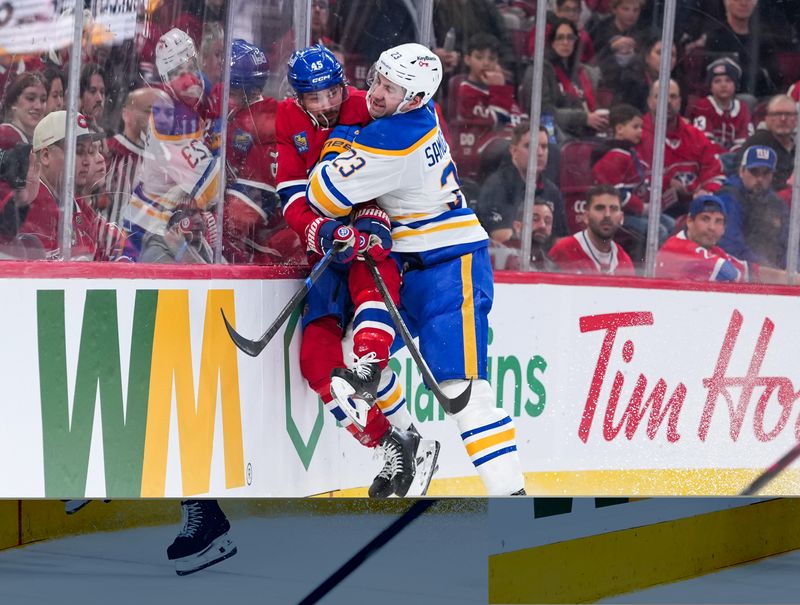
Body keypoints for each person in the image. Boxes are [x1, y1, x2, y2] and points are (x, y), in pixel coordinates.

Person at [307, 43, 526, 496]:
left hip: (451, 264)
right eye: (378, 80)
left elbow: (323, 196)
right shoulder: (401, 120)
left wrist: (340, 140)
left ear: (415, 99)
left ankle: (512, 498)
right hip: (407, 263)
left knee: (462, 391)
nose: (377, 93)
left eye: (392, 88)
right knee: (358, 352)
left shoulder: (396, 137)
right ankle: (408, 439)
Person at [277, 44, 434, 498]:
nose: (326, 105)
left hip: (369, 231)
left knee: (372, 279)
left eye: (332, 93)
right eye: (314, 98)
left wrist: (373, 224)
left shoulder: (371, 104)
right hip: (323, 245)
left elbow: (397, 174)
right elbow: (290, 195)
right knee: (315, 360)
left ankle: (369, 361)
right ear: (298, 98)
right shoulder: (288, 121)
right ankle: (392, 442)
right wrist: (319, 231)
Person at [120, 28, 220, 261]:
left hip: (170, 221)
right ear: (165, 80)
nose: (188, 79)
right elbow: (213, 182)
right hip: (148, 225)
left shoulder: (199, 95)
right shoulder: (170, 116)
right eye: (177, 72)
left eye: (190, 66)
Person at [222, 39, 302, 265]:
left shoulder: (258, 123)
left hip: (265, 244)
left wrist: (218, 222)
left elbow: (247, 208)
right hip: (261, 235)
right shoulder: (248, 114)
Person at [17, 110, 125, 261]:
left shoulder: (71, 199)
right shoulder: (35, 207)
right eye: (78, 151)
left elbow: (111, 242)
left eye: (89, 151)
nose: (88, 161)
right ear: (46, 156)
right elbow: (47, 277)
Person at [591, 103, 673, 260]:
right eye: (635, 127)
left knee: (669, 223)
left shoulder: (630, 153)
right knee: (658, 230)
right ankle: (646, 269)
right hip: (617, 214)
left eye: (641, 127)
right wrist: (641, 206)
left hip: (633, 212)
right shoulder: (612, 156)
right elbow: (616, 194)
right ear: (620, 129)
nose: (640, 131)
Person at [636, 79, 724, 216]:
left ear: (680, 101)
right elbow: (636, 176)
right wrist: (667, 182)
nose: (667, 102)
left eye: (673, 96)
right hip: (652, 211)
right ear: (649, 101)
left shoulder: (695, 135)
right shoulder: (638, 135)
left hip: (692, 208)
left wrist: (705, 191)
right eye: (660, 96)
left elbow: (715, 173)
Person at [477, 123, 568, 243]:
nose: (540, 153)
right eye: (530, 146)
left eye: (544, 146)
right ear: (513, 151)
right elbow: (500, 237)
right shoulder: (496, 186)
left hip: (543, 259)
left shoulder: (552, 191)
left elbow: (561, 238)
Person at [717, 145, 789, 270]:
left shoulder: (776, 202)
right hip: (737, 273)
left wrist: (790, 271)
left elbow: (790, 243)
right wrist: (765, 269)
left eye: (766, 173)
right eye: (754, 171)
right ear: (741, 171)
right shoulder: (729, 197)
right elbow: (731, 245)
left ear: (772, 175)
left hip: (774, 274)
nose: (760, 179)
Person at [533, 18, 605, 140]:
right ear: (551, 42)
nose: (565, 42)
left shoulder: (584, 72)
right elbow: (543, 113)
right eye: (560, 38)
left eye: (570, 38)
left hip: (585, 132)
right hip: (554, 134)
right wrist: (583, 118)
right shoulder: (539, 70)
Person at [656, 195, 751, 282]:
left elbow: (751, 271)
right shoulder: (676, 247)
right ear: (689, 221)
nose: (712, 227)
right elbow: (729, 273)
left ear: (724, 228)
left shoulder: (713, 250)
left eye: (718, 221)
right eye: (705, 219)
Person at [548, 184, 635, 275]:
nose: (607, 215)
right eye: (600, 208)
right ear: (586, 216)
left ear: (621, 218)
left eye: (613, 209)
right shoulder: (564, 250)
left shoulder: (624, 261)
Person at [105, 88, 161, 225]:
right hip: (109, 239)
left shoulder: (156, 159)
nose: (152, 118)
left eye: (156, 113)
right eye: (147, 111)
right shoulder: (110, 149)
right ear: (126, 113)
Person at [686, 57, 753, 153]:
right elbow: (703, 142)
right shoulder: (703, 106)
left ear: (736, 85)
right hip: (709, 160)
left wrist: (732, 157)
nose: (723, 85)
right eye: (717, 81)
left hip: (735, 162)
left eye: (728, 80)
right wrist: (726, 157)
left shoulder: (743, 108)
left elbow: (745, 144)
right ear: (710, 87)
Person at [738, 94, 796, 193]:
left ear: (796, 119)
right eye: (777, 114)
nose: (783, 119)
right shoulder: (757, 143)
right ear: (767, 118)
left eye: (788, 114)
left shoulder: (796, 146)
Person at [490, 200, 558, 272]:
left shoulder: (551, 266)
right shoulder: (500, 255)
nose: (542, 225)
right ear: (517, 226)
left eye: (548, 221)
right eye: (535, 219)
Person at [0, 71, 47, 149]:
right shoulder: (4, 136)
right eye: (30, 98)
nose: (38, 106)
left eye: (43, 100)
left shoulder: (39, 140)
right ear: (13, 103)